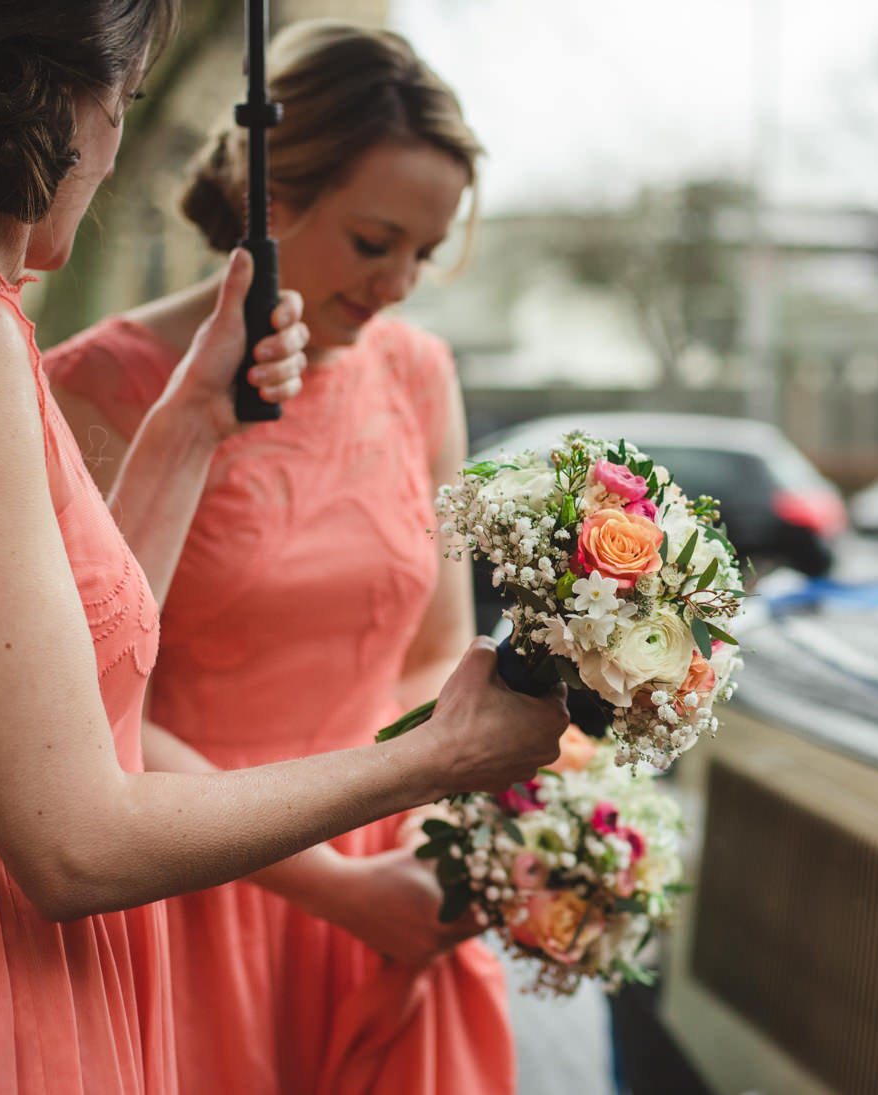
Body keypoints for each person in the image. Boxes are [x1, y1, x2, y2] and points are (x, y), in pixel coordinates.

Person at [0, 5, 568, 1094]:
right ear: (68, 97)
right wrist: (434, 757)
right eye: (126, 105)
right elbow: (75, 844)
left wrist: (193, 416)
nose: (110, 150)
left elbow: (79, 676)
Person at [44, 22, 525, 1095]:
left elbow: (436, 649)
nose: (400, 283)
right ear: (272, 199)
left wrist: (428, 846)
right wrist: (332, 885)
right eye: (372, 241)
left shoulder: (416, 373)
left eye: (424, 252)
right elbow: (93, 704)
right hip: (198, 890)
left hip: (388, 873)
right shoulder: (93, 388)